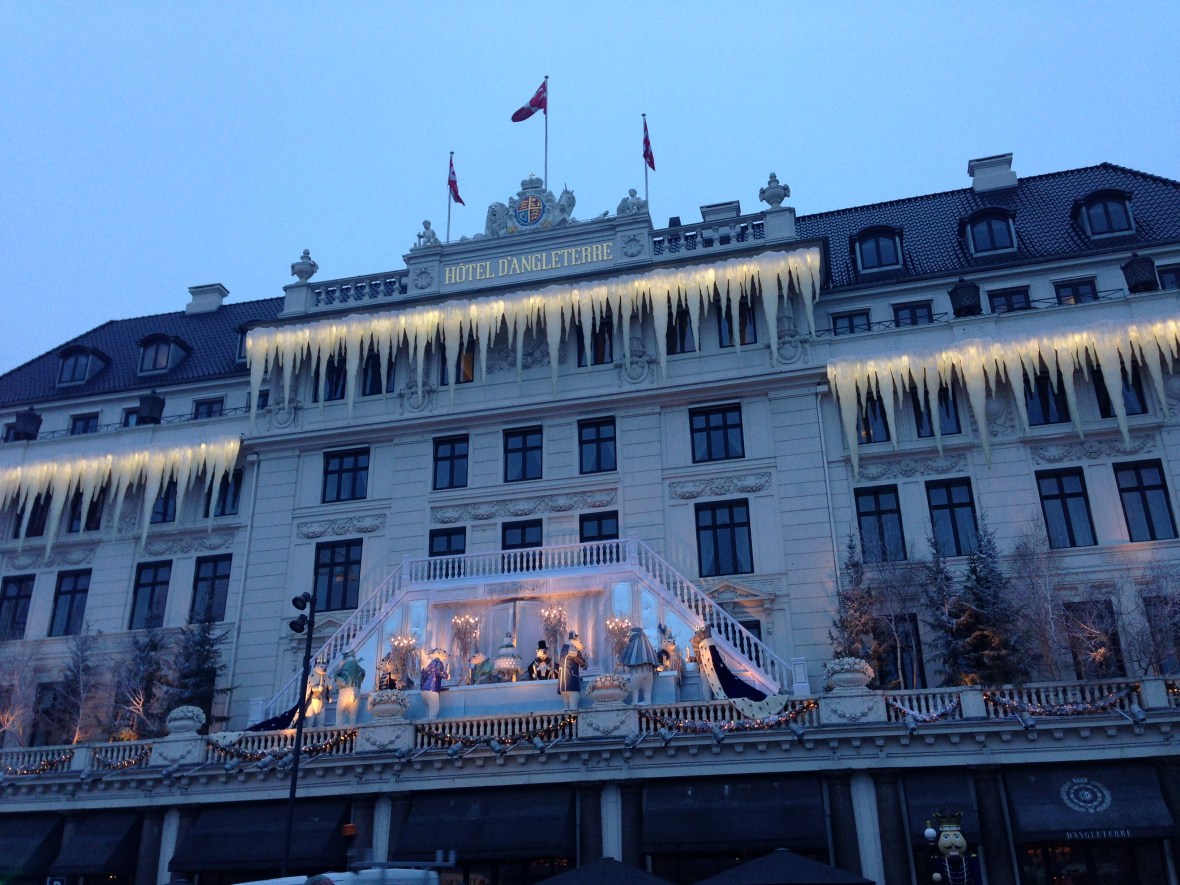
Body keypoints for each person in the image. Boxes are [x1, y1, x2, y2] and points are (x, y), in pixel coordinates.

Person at [557, 632, 587, 711]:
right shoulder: (572, 647)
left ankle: (566, 718)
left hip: (562, 684)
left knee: (566, 708)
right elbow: (581, 662)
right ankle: (573, 718)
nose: (582, 645)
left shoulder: (564, 648)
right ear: (575, 639)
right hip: (571, 682)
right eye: (580, 641)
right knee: (573, 707)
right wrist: (585, 663)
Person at [420, 648, 450, 720]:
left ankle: (426, 725)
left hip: (424, 689)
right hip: (432, 689)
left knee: (428, 709)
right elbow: (438, 672)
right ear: (438, 653)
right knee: (434, 708)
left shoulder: (430, 665)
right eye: (444, 652)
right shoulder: (438, 663)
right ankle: (431, 725)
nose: (447, 654)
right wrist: (447, 676)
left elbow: (424, 675)